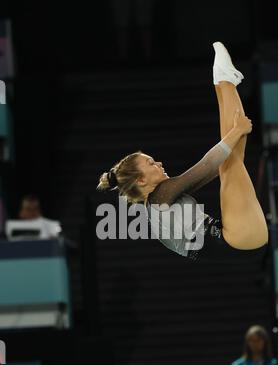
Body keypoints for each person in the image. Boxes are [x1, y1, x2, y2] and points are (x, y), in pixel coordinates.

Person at [97, 42, 269, 262]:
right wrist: (237, 132)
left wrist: (236, 133)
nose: (158, 163)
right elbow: (204, 168)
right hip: (236, 239)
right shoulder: (159, 198)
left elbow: (211, 169)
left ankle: (224, 82)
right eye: (151, 164)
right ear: (141, 181)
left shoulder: (160, 204)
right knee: (230, 163)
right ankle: (225, 81)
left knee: (229, 163)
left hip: (237, 241)